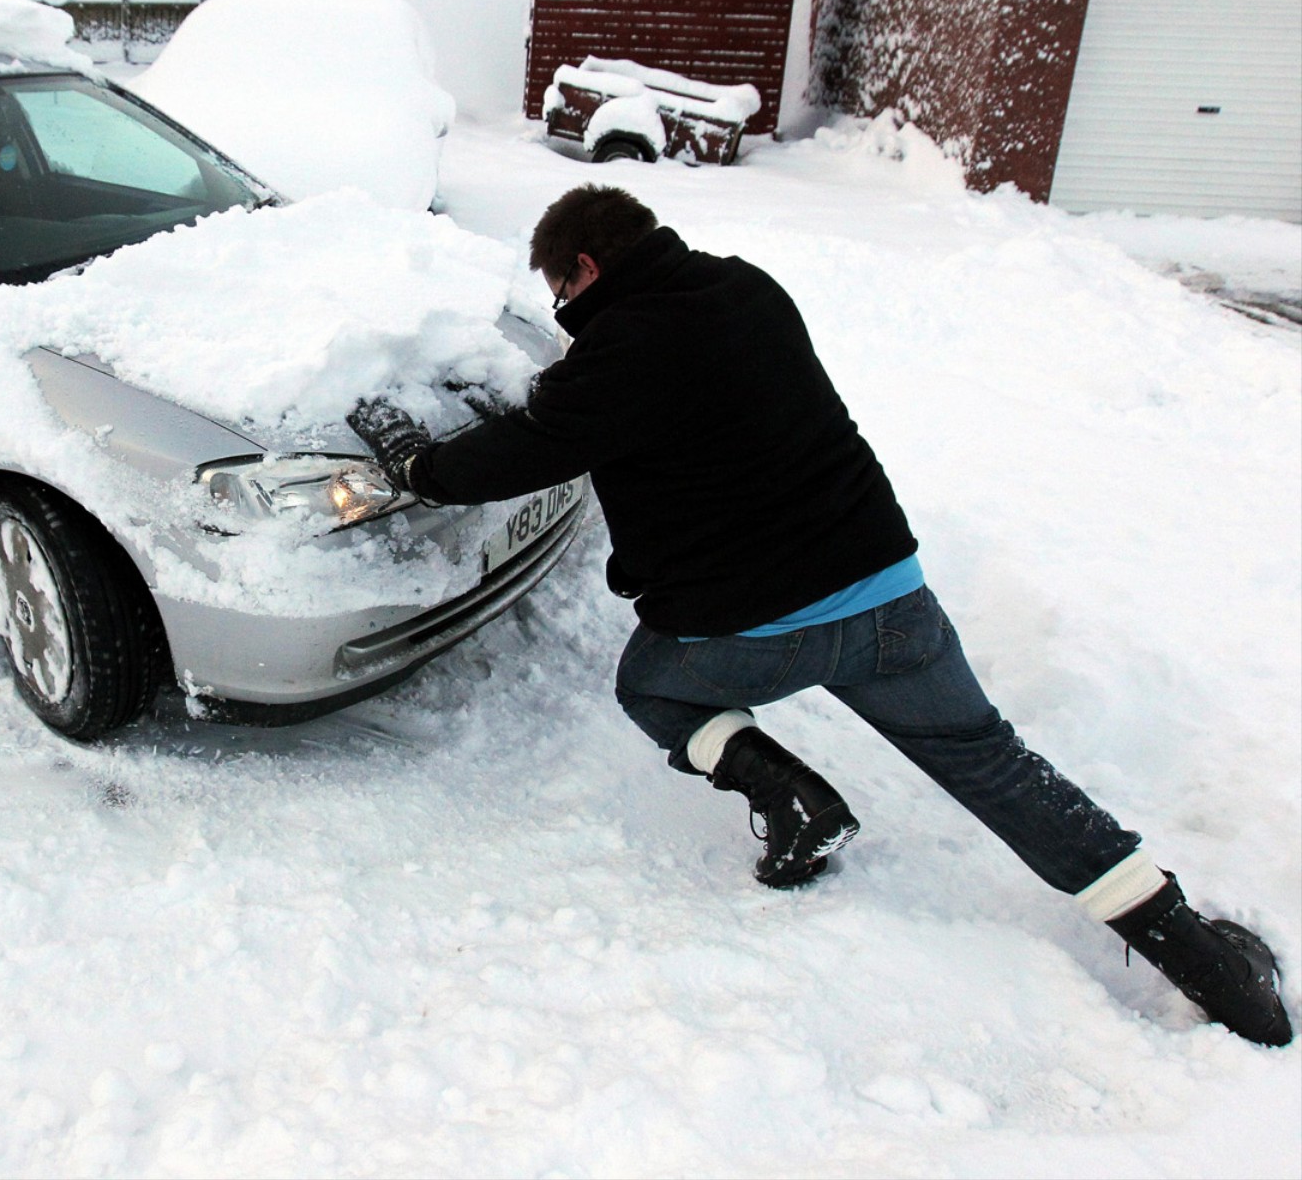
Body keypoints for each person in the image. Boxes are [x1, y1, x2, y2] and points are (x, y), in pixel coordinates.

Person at [347, 185, 1291, 1047]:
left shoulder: (624, 352)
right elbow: (613, 401)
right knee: (990, 762)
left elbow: (536, 444)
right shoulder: (746, 291)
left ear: (585, 268)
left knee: (651, 683)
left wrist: (417, 468)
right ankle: (1208, 963)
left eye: (560, 290)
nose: (561, 312)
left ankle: (793, 799)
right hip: (887, 593)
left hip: (761, 625)